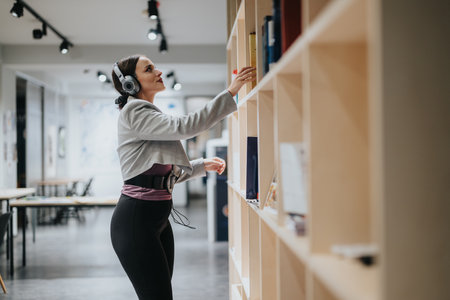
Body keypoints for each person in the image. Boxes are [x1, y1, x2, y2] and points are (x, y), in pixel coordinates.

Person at [109, 54, 256, 300]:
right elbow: (186, 127)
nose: (158, 72)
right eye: (149, 69)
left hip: (156, 219)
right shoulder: (135, 111)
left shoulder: (147, 112)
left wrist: (200, 165)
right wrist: (230, 93)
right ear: (130, 84)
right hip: (137, 221)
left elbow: (159, 175)